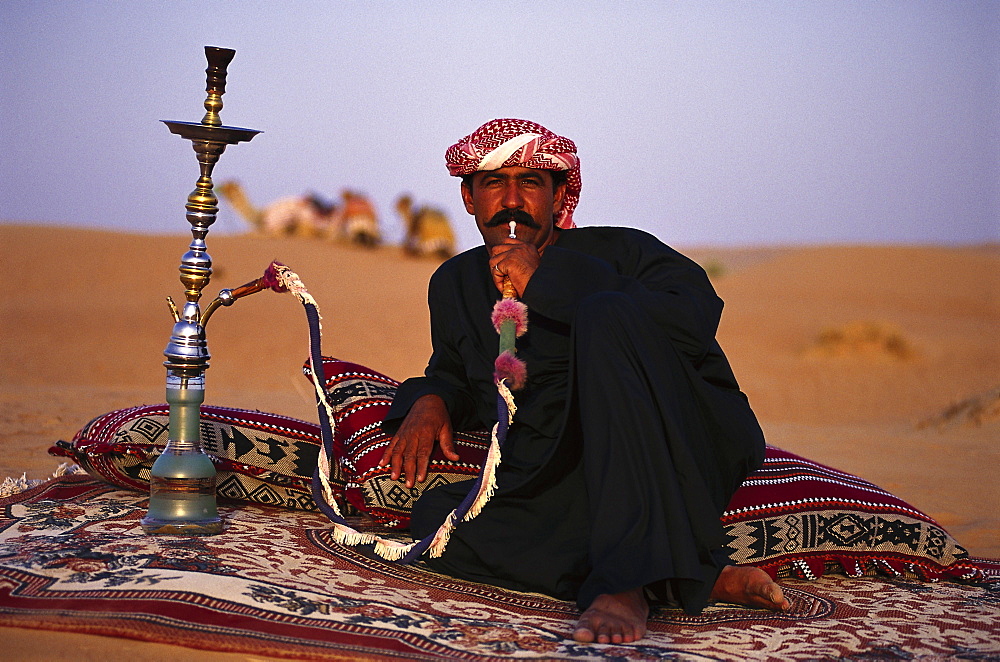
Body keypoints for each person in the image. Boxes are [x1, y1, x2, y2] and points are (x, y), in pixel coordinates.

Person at [378, 118, 789, 644]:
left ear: (557, 197)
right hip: (565, 461)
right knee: (441, 523)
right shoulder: (455, 283)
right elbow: (457, 372)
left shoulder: (621, 252)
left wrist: (547, 281)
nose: (511, 199)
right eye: (493, 183)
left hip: (671, 434)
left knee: (606, 312)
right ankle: (689, 577)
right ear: (468, 197)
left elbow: (694, 318)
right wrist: (429, 399)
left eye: (529, 183)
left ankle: (627, 583)